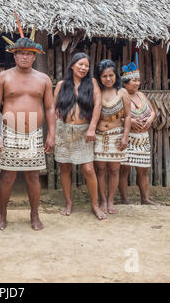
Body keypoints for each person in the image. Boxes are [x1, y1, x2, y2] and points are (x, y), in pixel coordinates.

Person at [0, 15, 56, 231]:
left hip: (34, 134)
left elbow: (49, 108)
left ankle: (35, 215)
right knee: (8, 176)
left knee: (33, 176)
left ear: (35, 56)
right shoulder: (3, 77)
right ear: (14, 55)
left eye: (29, 54)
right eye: (21, 54)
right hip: (10, 132)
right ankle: (2, 214)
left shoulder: (43, 79)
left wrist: (51, 134)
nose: (25, 57)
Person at [54, 52, 106, 220]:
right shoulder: (62, 84)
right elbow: (54, 110)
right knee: (64, 168)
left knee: (88, 169)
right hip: (63, 130)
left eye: (86, 66)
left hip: (84, 131)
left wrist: (92, 127)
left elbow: (98, 104)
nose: (83, 68)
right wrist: (53, 133)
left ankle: (95, 204)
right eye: (80, 64)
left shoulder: (92, 83)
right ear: (72, 66)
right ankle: (68, 202)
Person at [118, 54, 156, 205]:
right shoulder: (121, 95)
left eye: (138, 80)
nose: (137, 83)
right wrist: (130, 122)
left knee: (144, 169)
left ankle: (145, 199)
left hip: (143, 139)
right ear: (125, 83)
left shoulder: (141, 95)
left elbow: (152, 111)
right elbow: (113, 117)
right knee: (124, 169)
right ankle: (124, 199)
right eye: (134, 80)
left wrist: (150, 119)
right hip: (128, 138)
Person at [94, 60, 131, 214]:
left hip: (117, 135)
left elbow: (128, 116)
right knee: (101, 170)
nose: (108, 79)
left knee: (115, 170)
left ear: (116, 75)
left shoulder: (122, 92)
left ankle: (111, 200)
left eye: (111, 75)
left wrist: (125, 137)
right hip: (99, 136)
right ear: (99, 77)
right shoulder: (97, 92)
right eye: (104, 76)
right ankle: (102, 200)